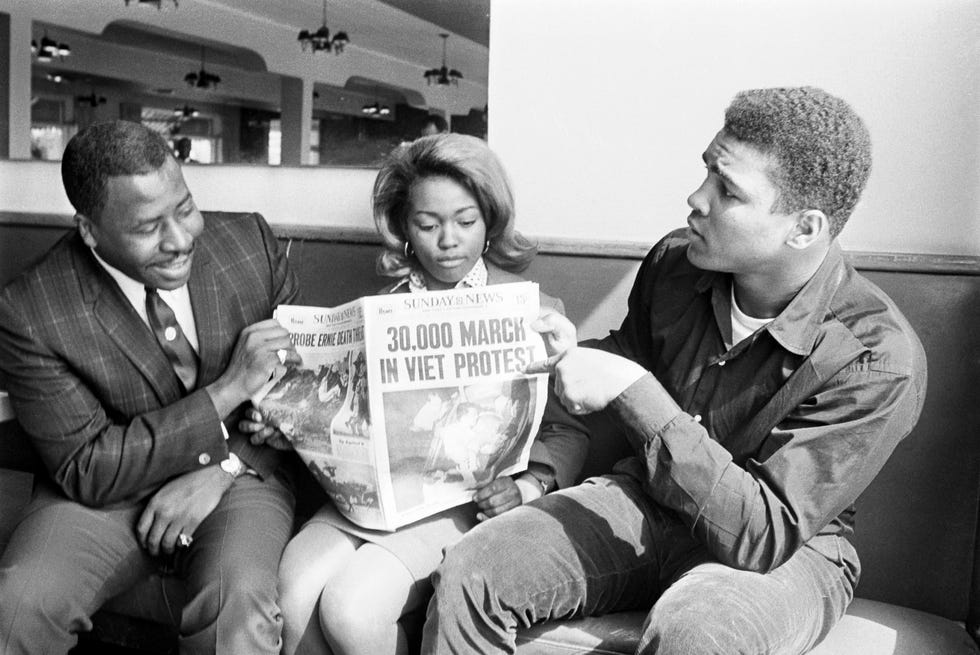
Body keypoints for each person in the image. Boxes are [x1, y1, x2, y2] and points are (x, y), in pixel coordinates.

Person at [422, 87, 928, 654]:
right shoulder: (675, 262)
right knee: (476, 566)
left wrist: (634, 391)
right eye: (707, 172)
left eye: (728, 191)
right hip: (647, 500)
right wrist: (561, 350)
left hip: (789, 551)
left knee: (698, 632)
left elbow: (761, 534)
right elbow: (629, 354)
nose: (696, 198)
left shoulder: (874, 356)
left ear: (804, 229)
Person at [247, 133, 588, 655]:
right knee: (291, 592)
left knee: (352, 609)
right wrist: (289, 423)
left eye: (465, 221)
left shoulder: (535, 308)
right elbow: (345, 412)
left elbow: (569, 429)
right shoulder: (379, 312)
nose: (447, 240)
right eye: (427, 225)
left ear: (491, 221)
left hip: (462, 500)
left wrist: (531, 486)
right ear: (405, 229)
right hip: (370, 498)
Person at [0, 120, 302, 654]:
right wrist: (226, 392)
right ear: (89, 231)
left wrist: (224, 470)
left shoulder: (249, 244)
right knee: (20, 605)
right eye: (148, 228)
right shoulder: (30, 308)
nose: (180, 239)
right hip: (104, 496)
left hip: (240, 473)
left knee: (239, 598)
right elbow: (87, 467)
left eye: (184, 208)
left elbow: (302, 386)